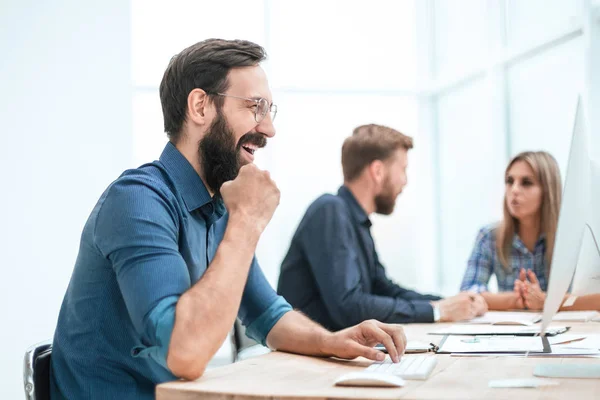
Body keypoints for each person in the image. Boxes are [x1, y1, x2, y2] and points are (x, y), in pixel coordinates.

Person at [49, 39, 407, 400]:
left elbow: (268, 314)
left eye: (270, 111)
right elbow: (184, 354)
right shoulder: (137, 201)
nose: (268, 129)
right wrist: (247, 221)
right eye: (255, 107)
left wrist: (332, 340)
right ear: (200, 106)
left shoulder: (219, 206)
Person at [277, 124, 487, 331]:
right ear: (377, 171)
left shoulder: (355, 220)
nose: (405, 181)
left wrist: (450, 303)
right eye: (403, 169)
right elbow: (348, 307)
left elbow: (383, 289)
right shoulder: (329, 210)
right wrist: (437, 311)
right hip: (303, 359)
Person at [460, 151, 562, 310]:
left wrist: (545, 300)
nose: (514, 190)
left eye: (526, 183)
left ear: (548, 190)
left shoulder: (571, 239)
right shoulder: (489, 236)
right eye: (509, 181)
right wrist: (515, 299)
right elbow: (467, 294)